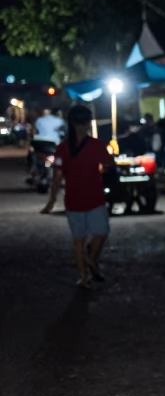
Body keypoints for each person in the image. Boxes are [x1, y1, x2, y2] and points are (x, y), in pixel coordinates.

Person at [40, 105, 114, 289]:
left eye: (85, 122)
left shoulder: (92, 145)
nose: (83, 126)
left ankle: (90, 263)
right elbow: (57, 176)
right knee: (80, 239)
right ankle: (84, 276)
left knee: (100, 233)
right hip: (77, 200)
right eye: (81, 122)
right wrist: (51, 200)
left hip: (92, 198)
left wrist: (51, 200)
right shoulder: (65, 148)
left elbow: (57, 176)